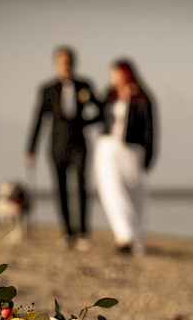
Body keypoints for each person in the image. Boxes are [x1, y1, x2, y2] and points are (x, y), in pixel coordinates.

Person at [26, 46, 100, 249]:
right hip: (57, 145)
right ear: (56, 63)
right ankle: (67, 232)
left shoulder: (85, 85)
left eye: (68, 60)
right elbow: (39, 120)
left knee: (82, 186)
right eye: (62, 61)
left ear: (73, 62)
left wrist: (85, 122)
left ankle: (83, 232)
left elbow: (100, 109)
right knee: (61, 189)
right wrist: (30, 150)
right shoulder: (47, 89)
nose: (65, 64)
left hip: (80, 144)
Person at [94, 59, 155, 255]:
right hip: (108, 148)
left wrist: (149, 156)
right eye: (112, 74)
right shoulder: (108, 96)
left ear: (126, 74)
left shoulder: (143, 98)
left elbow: (151, 130)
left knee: (135, 193)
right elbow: (96, 115)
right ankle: (124, 235)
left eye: (117, 74)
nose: (113, 78)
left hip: (132, 150)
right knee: (112, 190)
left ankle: (136, 238)